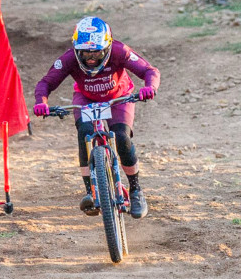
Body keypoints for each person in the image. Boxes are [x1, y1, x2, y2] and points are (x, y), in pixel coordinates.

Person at [32, 17, 160, 218]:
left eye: (96, 52)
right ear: (76, 49)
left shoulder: (120, 51)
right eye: (85, 52)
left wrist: (149, 87)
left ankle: (136, 190)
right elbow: (46, 83)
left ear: (107, 47)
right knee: (85, 134)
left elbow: (149, 70)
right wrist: (41, 102)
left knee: (121, 137)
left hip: (119, 97)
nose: (90, 58)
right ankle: (90, 193)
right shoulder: (68, 59)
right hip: (85, 98)